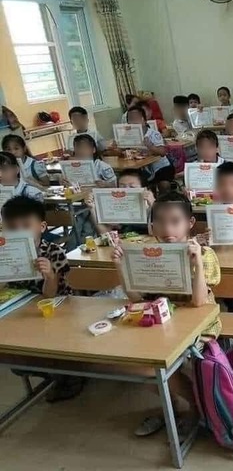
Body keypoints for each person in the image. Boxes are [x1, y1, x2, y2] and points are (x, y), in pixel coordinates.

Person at [112, 192, 221, 439]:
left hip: (200, 325)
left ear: (189, 223)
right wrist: (121, 267)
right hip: (159, 322)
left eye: (175, 221)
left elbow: (199, 302)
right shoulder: (149, 254)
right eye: (159, 222)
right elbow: (137, 299)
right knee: (132, 363)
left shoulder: (204, 254)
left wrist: (197, 263)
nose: (167, 229)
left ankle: (193, 408)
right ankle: (170, 406)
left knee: (154, 365)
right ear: (151, 225)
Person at [1, 196, 85, 403]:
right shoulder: (4, 252)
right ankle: (54, 373)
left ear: (42, 227)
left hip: (55, 310)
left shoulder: (53, 252)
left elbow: (51, 295)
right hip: (20, 310)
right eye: (12, 227)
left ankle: (69, 376)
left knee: (47, 347)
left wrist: (49, 276)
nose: (19, 231)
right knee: (14, 358)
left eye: (26, 226)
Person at [85, 168, 155, 236]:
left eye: (132, 187)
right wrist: (92, 209)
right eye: (122, 186)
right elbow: (104, 233)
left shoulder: (152, 205)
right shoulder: (114, 205)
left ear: (145, 189)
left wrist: (153, 205)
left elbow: (157, 234)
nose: (126, 190)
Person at [126, 105, 174, 192]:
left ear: (144, 121)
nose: (133, 122)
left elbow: (163, 152)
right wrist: (116, 147)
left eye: (136, 118)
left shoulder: (153, 134)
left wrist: (151, 146)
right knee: (140, 185)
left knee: (164, 185)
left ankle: (166, 198)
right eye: (131, 119)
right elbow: (121, 151)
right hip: (142, 168)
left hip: (161, 167)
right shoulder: (128, 136)